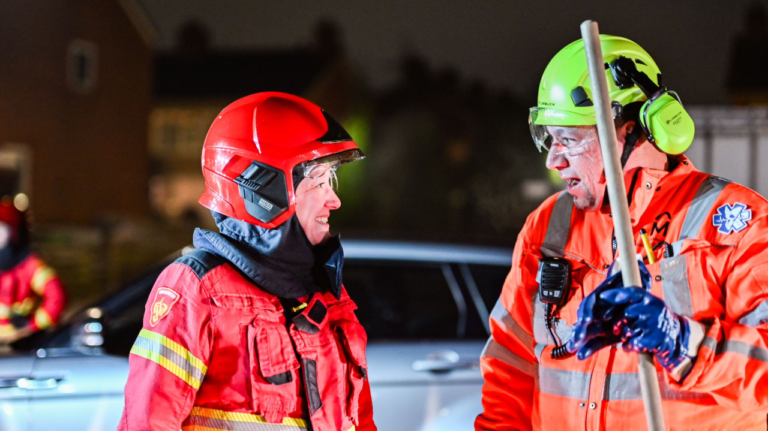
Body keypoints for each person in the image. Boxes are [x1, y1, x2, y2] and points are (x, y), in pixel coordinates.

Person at [476, 35, 768, 430]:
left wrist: (683, 343)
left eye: (570, 139)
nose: (553, 159)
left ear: (633, 131)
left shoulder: (736, 223)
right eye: (549, 138)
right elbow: (510, 361)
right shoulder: (550, 226)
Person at [119, 92, 375, 431]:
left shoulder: (325, 297)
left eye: (331, 181)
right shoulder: (197, 289)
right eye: (318, 182)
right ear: (264, 187)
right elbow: (148, 423)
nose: (334, 200)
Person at [0, 200, 66, 344]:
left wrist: (32, 325)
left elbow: (56, 296)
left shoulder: (30, 265)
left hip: (18, 344)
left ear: (14, 232)